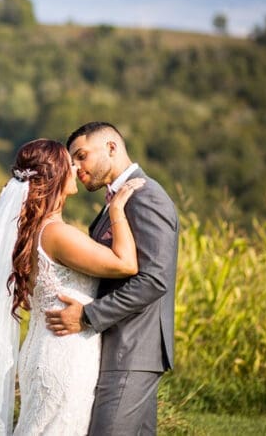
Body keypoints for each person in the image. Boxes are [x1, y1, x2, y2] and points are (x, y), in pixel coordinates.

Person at [0, 138, 144, 435]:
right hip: (64, 355)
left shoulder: (35, 232)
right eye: (70, 164)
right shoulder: (57, 234)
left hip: (45, 349)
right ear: (55, 177)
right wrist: (116, 211)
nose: (76, 169)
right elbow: (125, 264)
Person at [46, 122, 179, 436]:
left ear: (111, 147)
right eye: (73, 161)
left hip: (132, 346)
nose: (76, 168)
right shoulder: (115, 201)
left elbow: (154, 280)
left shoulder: (146, 197)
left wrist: (89, 315)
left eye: (81, 156)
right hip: (121, 346)